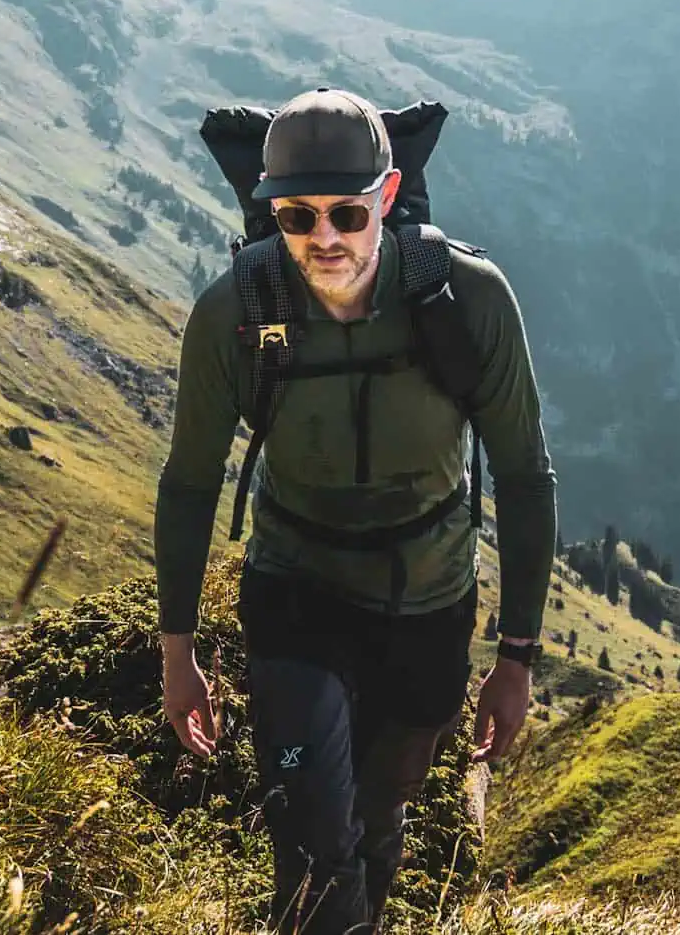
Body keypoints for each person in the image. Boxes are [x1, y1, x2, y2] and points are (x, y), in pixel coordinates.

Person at [152, 86, 559, 934]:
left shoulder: (468, 299)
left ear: (388, 194)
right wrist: (177, 650)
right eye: (297, 217)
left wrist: (515, 657)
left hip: (431, 607)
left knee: (376, 823)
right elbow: (189, 483)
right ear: (272, 212)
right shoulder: (235, 313)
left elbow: (524, 477)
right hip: (297, 593)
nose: (324, 237)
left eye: (347, 212)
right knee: (308, 842)